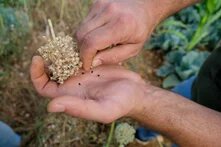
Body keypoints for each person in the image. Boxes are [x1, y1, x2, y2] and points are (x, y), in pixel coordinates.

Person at [30, 0, 221, 146]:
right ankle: (143, 134)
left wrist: (146, 100)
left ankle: (147, 133)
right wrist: (149, 7)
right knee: (188, 91)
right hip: (210, 77)